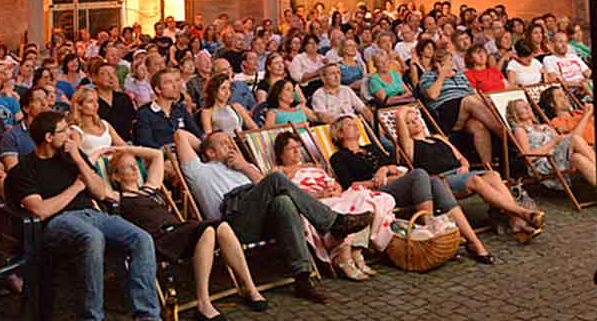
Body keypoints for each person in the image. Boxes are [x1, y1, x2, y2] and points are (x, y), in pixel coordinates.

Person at [173, 128, 373, 304]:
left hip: (260, 217)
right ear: (210, 152)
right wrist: (208, 147)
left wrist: (243, 166)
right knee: (276, 178)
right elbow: (181, 136)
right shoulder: (199, 171)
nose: (231, 146)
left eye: (231, 141)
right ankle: (335, 222)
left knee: (283, 202)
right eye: (224, 144)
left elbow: (270, 186)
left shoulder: (241, 166)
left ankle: (302, 279)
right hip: (232, 225)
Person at [5, 111, 164, 321]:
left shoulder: (71, 157)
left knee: (141, 238)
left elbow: (100, 193)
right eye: (64, 131)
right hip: (57, 223)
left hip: (93, 214)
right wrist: (76, 188)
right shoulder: (24, 170)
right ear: (49, 137)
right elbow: (41, 210)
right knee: (92, 237)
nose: (70, 135)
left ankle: (147, 317)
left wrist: (79, 160)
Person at [104, 147, 268, 321]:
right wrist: (97, 155)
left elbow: (157, 155)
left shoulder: (149, 189)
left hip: (180, 231)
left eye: (135, 165)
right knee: (208, 230)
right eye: (128, 167)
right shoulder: (118, 197)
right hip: (161, 240)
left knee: (221, 227)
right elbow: (94, 183)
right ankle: (204, 303)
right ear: (116, 176)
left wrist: (123, 148)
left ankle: (250, 289)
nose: (135, 169)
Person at [326, 114, 494, 262]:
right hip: (373, 194)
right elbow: (350, 186)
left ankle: (474, 242)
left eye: (355, 123)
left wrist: (384, 169)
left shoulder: (371, 148)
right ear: (340, 133)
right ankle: (432, 234)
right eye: (349, 124)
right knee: (421, 174)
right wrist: (378, 180)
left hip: (394, 185)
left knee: (434, 180)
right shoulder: (339, 157)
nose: (355, 125)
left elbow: (395, 165)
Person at [393, 105, 543, 245]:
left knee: (493, 175)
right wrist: (406, 110)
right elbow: (400, 116)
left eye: (416, 119)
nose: (415, 123)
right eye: (409, 123)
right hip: (441, 181)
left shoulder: (438, 138)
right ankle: (521, 213)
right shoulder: (410, 146)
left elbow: (461, 158)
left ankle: (516, 221)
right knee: (476, 180)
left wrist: (464, 166)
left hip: (461, 174)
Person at [274, 131, 394, 280]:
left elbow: (335, 184)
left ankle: (356, 250)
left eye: (298, 147)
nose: (297, 151)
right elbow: (291, 195)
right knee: (344, 211)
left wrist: (336, 188)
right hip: (314, 203)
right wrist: (319, 195)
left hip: (332, 196)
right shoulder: (279, 173)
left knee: (365, 198)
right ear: (281, 154)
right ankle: (343, 257)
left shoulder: (312, 166)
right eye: (291, 148)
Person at [505, 98, 597, 215]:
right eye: (522, 107)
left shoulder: (544, 126)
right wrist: (554, 142)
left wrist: (559, 141)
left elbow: (565, 140)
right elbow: (528, 156)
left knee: (578, 158)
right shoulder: (520, 130)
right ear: (515, 114)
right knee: (575, 139)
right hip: (544, 164)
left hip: (559, 157)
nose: (528, 108)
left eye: (527, 105)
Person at [418, 48, 507, 167]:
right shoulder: (427, 76)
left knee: (478, 126)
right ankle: (508, 137)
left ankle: (489, 167)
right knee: (469, 100)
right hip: (445, 112)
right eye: (447, 63)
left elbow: (472, 93)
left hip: (467, 109)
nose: (451, 65)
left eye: (451, 62)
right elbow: (432, 95)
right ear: (437, 64)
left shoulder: (459, 74)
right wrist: (442, 75)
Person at [135, 69, 201, 149]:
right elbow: (146, 142)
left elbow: (197, 134)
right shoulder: (144, 113)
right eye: (169, 82)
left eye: (176, 81)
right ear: (158, 89)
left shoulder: (181, 109)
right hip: (162, 157)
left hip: (187, 155)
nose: (175, 86)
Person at [0, 86, 54, 169]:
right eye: (38, 100)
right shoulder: (12, 136)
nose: (44, 103)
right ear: (26, 108)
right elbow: (13, 170)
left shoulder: (55, 131)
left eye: (45, 98)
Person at [69, 86, 126, 162]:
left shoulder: (104, 124)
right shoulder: (75, 130)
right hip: (93, 167)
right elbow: (78, 158)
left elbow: (123, 146)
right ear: (79, 106)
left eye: (96, 101)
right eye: (90, 101)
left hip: (113, 165)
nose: (96, 105)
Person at [92, 61, 136, 142]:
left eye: (113, 73)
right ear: (94, 78)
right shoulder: (91, 100)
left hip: (127, 143)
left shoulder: (124, 98)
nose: (111, 77)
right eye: (105, 74)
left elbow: (133, 121)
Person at [543, 32, 593, 96]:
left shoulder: (573, 56)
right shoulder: (548, 59)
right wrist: (580, 85)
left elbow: (588, 73)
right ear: (553, 44)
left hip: (586, 87)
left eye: (566, 42)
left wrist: (587, 81)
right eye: (560, 42)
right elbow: (556, 81)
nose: (564, 45)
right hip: (571, 91)